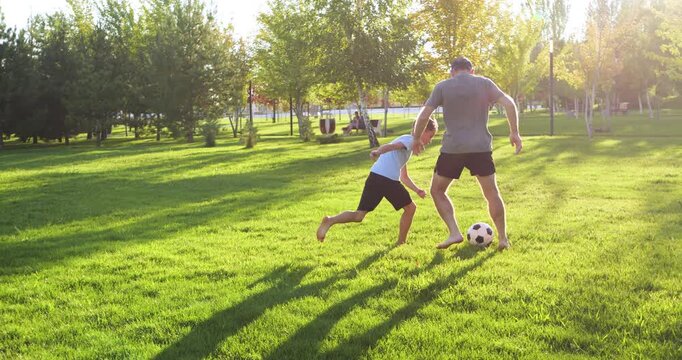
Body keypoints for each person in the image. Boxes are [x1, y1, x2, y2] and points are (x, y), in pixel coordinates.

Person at [411, 56, 523, 251]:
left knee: (437, 190)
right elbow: (510, 104)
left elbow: (424, 114)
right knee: (491, 193)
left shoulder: (443, 86)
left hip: (453, 149)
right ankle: (503, 238)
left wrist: (416, 138)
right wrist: (514, 132)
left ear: (452, 71)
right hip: (480, 148)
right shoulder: (484, 83)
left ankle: (454, 232)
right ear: (472, 70)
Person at [317, 118, 439, 245]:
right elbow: (391, 146)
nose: (430, 141)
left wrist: (417, 190)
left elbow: (404, 177)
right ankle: (401, 242)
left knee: (359, 216)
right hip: (386, 180)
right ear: (423, 130)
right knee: (410, 208)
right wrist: (378, 151)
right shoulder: (409, 140)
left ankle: (330, 220)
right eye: (430, 136)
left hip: (375, 177)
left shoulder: (405, 146)